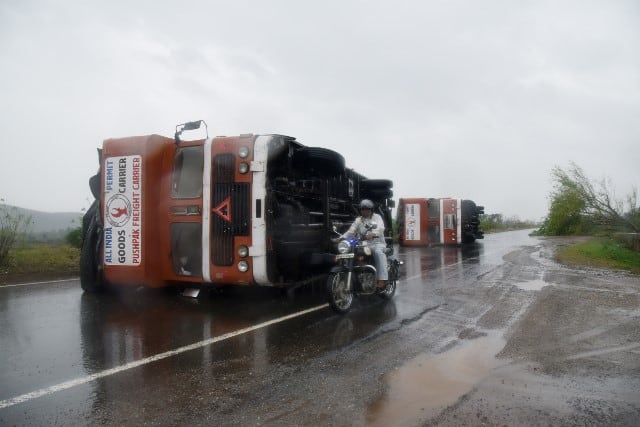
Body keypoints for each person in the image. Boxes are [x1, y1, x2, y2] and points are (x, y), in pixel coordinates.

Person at [341, 199, 388, 289]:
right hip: (364, 244)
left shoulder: (377, 217)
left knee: (378, 252)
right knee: (349, 252)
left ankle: (382, 279)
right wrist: (342, 237)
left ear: (371, 210)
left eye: (367, 209)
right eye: (363, 209)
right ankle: (350, 275)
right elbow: (351, 231)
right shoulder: (358, 220)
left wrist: (373, 234)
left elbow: (381, 228)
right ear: (360, 210)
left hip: (377, 243)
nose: (365, 211)